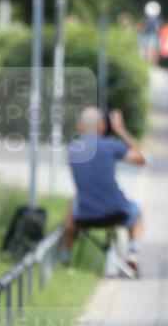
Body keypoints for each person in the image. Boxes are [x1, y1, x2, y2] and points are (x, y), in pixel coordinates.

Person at [59, 108, 146, 274]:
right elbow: (142, 158)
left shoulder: (72, 149)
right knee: (137, 212)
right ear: (103, 127)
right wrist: (121, 131)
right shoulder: (111, 146)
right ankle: (133, 254)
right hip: (116, 210)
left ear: (80, 126)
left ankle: (64, 258)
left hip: (85, 214)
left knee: (72, 209)